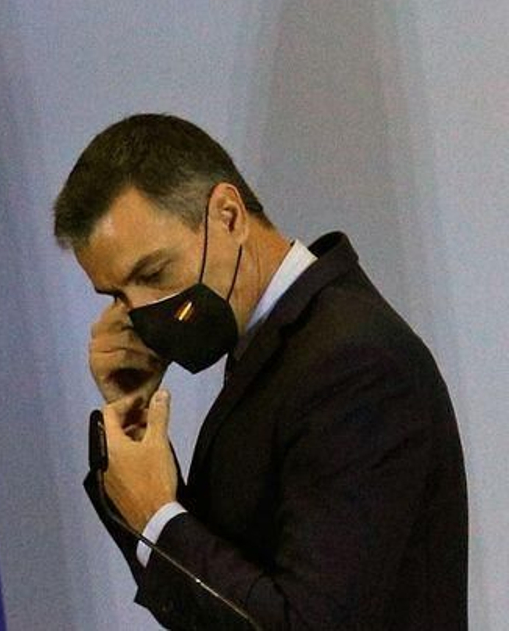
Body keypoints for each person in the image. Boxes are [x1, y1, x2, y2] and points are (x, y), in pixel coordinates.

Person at [53, 114, 466, 629]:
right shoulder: (277, 346)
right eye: (116, 296)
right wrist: (129, 417)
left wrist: (157, 519)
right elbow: (224, 592)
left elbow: (307, 623)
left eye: (154, 274)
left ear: (228, 216)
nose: (138, 317)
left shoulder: (353, 363)